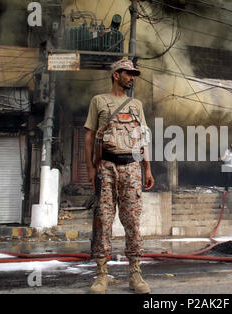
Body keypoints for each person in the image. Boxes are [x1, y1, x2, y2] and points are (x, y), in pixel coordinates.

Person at [84, 59, 155, 294]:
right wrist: (90, 168)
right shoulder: (99, 101)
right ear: (116, 75)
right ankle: (101, 275)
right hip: (106, 166)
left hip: (132, 167)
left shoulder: (136, 105)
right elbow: (89, 136)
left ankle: (135, 274)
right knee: (103, 219)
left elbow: (142, 138)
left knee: (132, 221)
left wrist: (147, 168)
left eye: (134, 74)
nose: (132, 77)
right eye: (128, 73)